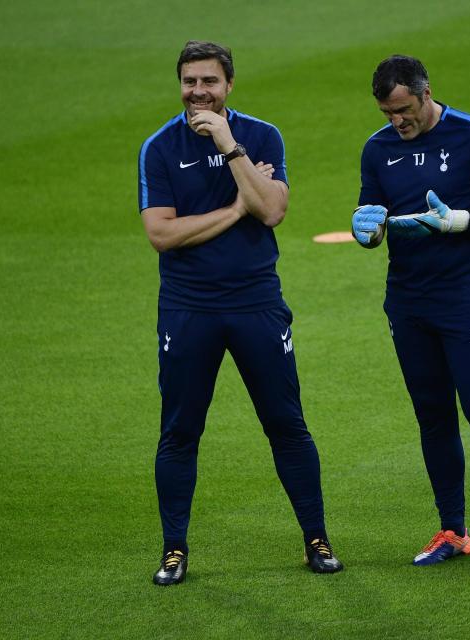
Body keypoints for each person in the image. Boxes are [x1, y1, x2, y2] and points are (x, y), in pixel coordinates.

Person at [137, 40, 342, 585]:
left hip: (257, 304)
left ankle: (316, 538)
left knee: (287, 425)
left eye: (208, 81)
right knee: (180, 432)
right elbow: (161, 234)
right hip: (188, 309)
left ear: (229, 84)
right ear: (179, 84)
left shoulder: (260, 135)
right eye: (189, 81)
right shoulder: (159, 148)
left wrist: (230, 146)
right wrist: (235, 207)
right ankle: (174, 549)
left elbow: (272, 210)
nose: (198, 92)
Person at [351, 55, 470, 576]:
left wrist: (462, 221)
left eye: (404, 111)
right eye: (387, 113)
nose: (396, 123)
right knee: (432, 416)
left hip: (466, 301)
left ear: (426, 94)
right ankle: (454, 529)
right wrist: (369, 231)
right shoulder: (377, 148)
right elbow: (374, 219)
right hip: (407, 303)